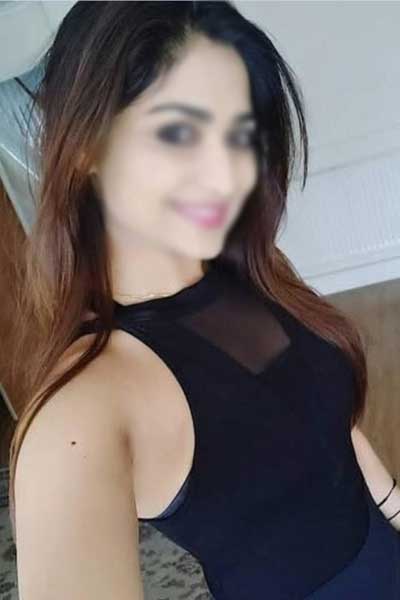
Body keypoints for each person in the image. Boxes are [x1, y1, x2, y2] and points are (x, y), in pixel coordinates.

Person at [7, 2, 400, 599]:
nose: (225, 175)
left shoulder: (251, 279)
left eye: (241, 135)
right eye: (178, 132)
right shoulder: (79, 414)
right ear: (86, 146)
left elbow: (331, 429)